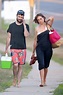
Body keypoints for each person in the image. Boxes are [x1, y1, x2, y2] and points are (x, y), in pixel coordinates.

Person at [5, 10, 30, 87]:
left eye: (21, 16)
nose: (20, 18)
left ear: (23, 17)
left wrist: (24, 25)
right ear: (16, 16)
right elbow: (9, 37)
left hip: (22, 48)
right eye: (19, 16)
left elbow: (26, 35)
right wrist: (6, 48)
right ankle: (14, 78)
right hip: (13, 48)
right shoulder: (11, 26)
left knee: (20, 66)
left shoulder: (26, 26)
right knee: (15, 64)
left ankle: (19, 82)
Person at [31, 13, 54, 87]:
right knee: (41, 64)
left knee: (46, 66)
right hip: (39, 48)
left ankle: (44, 79)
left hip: (48, 48)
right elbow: (35, 41)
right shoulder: (37, 28)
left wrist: (47, 21)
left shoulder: (48, 26)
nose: (40, 20)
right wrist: (33, 52)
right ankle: (42, 82)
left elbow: (52, 18)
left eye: (41, 19)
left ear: (43, 18)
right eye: (38, 20)